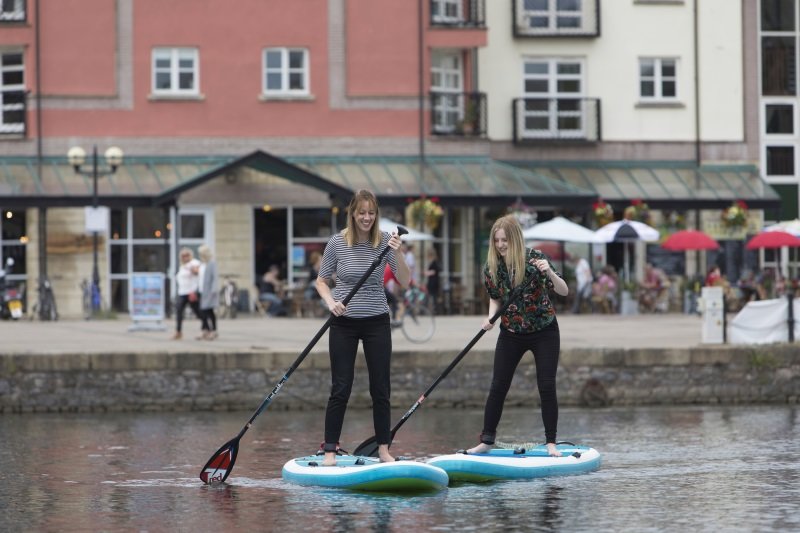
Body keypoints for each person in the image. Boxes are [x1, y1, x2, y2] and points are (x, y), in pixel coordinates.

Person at [315, 189, 410, 466]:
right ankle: (330, 450)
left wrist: (399, 253)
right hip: (343, 323)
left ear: (376, 214)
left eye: (371, 213)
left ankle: (383, 450)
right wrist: (331, 302)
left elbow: (404, 281)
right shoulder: (337, 242)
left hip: (377, 321)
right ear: (353, 213)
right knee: (340, 387)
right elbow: (322, 281)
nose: (366, 218)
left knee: (380, 388)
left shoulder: (385, 243)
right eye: (362, 213)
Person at [466, 215, 569, 458]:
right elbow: (495, 296)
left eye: (505, 240)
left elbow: (564, 291)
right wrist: (491, 318)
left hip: (544, 330)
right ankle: (486, 440)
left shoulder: (535, 259)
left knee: (546, 385)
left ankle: (551, 442)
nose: (501, 245)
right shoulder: (492, 266)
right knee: (498, 385)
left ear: (515, 239)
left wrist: (551, 274)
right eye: (497, 240)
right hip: (511, 332)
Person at [172, 247, 201, 340]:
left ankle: (207, 328)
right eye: (183, 256)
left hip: (191, 292)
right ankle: (178, 332)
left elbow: (197, 272)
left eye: (187, 255)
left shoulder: (194, 263)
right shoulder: (182, 266)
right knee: (179, 311)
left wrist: (191, 268)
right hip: (182, 292)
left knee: (197, 311)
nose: (185, 257)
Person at [197, 244, 219, 340]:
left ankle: (212, 330)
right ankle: (206, 330)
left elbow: (215, 277)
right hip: (202, 290)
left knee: (207, 311)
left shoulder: (212, 263)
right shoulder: (202, 264)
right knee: (205, 311)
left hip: (209, 291)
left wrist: (213, 290)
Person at [424, 247, 441, 312]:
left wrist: (427, 273)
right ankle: (432, 309)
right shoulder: (434, 262)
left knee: (432, 296)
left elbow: (434, 271)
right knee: (432, 296)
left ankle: (433, 310)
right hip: (432, 282)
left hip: (433, 282)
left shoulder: (434, 262)